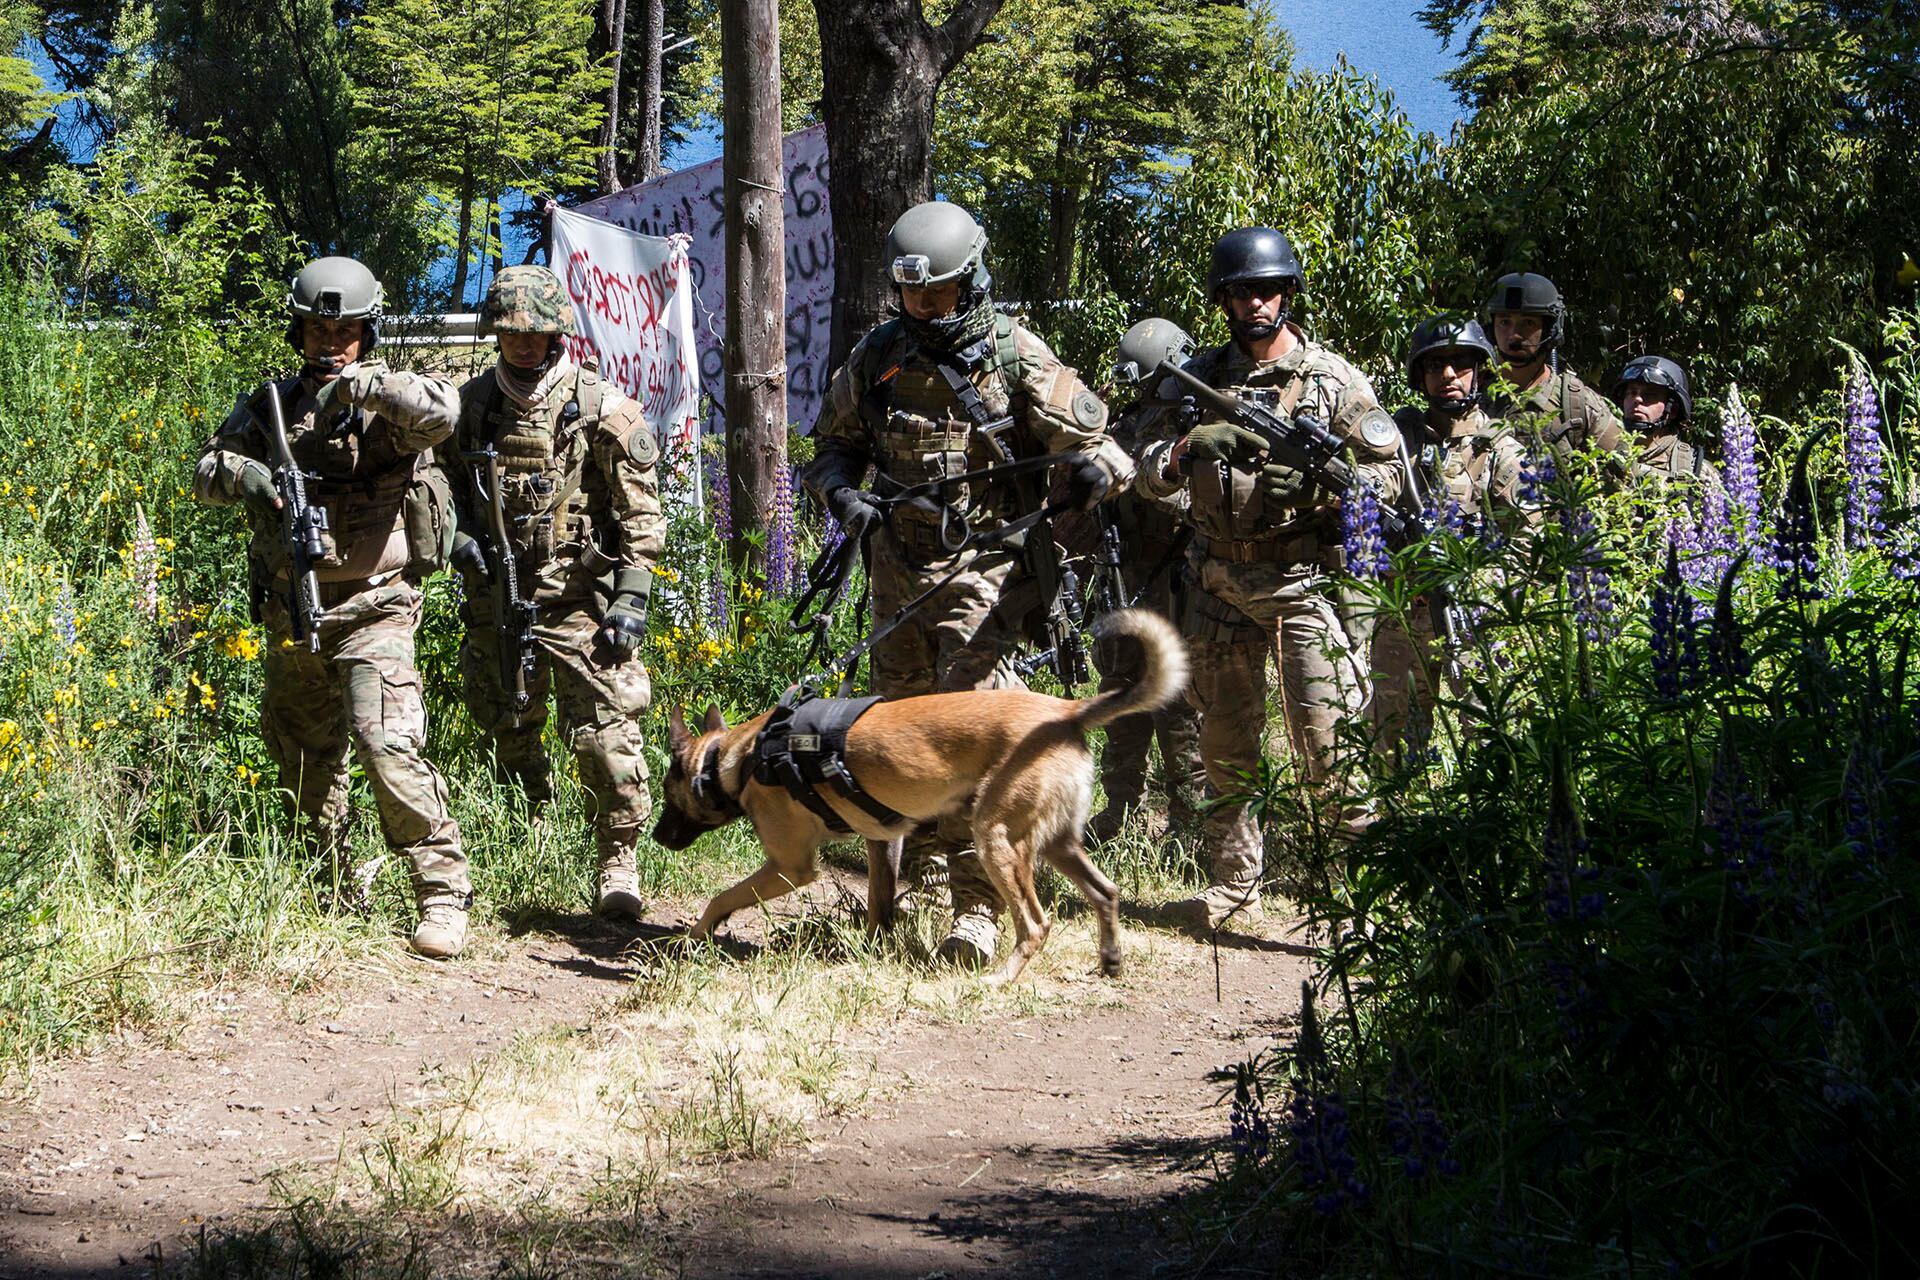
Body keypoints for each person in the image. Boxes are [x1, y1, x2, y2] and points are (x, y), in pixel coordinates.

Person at [801, 200, 1134, 967]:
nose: (924, 303)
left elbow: (1107, 449)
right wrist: (843, 493)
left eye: (939, 290)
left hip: (984, 573)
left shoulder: (1014, 354)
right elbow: (831, 448)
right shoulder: (877, 357)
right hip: (896, 574)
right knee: (896, 735)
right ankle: (909, 881)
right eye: (912, 292)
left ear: (971, 278)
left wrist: (1091, 474)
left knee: (976, 737)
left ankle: (978, 908)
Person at [194, 255, 471, 958]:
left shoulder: (390, 409)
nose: (330, 343)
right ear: (299, 331)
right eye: (319, 329)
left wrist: (367, 386)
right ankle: (331, 886)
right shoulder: (272, 407)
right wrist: (246, 475)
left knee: (388, 746)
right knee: (302, 757)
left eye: (345, 331)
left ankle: (441, 894)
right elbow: (205, 470)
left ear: (366, 334)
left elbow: (446, 410)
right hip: (294, 610)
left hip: (376, 608)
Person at [1133, 227, 1404, 932]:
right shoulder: (1196, 378)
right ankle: (1233, 887)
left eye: (1269, 289)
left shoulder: (1333, 378)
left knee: (1333, 747)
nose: (1257, 303)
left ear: (1288, 293)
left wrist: (1326, 494)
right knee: (1225, 749)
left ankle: (1355, 901)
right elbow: (1144, 472)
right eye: (1242, 292)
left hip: (1303, 584)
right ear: (1223, 300)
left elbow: (1392, 474)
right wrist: (1186, 448)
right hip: (1217, 585)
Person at [445, 265, 665, 921]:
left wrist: (631, 595)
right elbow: (442, 493)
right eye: (511, 333)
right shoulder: (471, 407)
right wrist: (457, 540)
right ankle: (526, 838)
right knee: (506, 724)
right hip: (496, 598)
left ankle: (617, 861)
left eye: (535, 333)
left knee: (604, 738)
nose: (523, 344)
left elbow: (643, 514)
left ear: (556, 335)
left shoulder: (602, 410)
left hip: (576, 600)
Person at [1371, 314, 1533, 760]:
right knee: (1389, 740)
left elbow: (1528, 540)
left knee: (1490, 735)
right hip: (1403, 610)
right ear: (1419, 376)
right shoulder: (1396, 440)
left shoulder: (1499, 448)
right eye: (1435, 366)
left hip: (1471, 611)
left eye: (1460, 364)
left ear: (1478, 370)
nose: (1448, 376)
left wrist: (1475, 579)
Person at [1084, 319, 1208, 843]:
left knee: (1179, 702)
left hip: (1178, 586)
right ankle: (1119, 811)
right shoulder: (1130, 423)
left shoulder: (1197, 426)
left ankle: (1190, 821)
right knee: (1119, 695)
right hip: (1125, 579)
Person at [1483, 272, 1628, 471]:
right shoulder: (1473, 397)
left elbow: (1626, 478)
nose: (1514, 335)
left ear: (1550, 329)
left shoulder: (1576, 403)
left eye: (1528, 323)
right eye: (1504, 322)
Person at [1616, 354, 1724, 495]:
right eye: (1631, 393)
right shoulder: (1603, 454)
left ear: (1672, 410)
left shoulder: (1697, 472)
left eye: (1650, 395)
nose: (1637, 399)